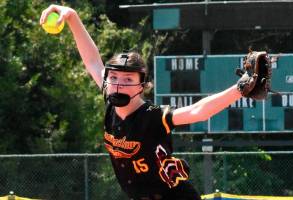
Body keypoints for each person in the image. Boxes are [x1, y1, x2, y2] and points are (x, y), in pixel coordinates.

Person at [40, 5, 244, 200]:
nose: (119, 84)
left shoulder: (153, 115)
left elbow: (198, 111)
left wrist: (240, 89)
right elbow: (92, 60)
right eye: (113, 78)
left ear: (142, 85)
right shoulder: (111, 101)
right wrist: (72, 17)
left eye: (128, 79)